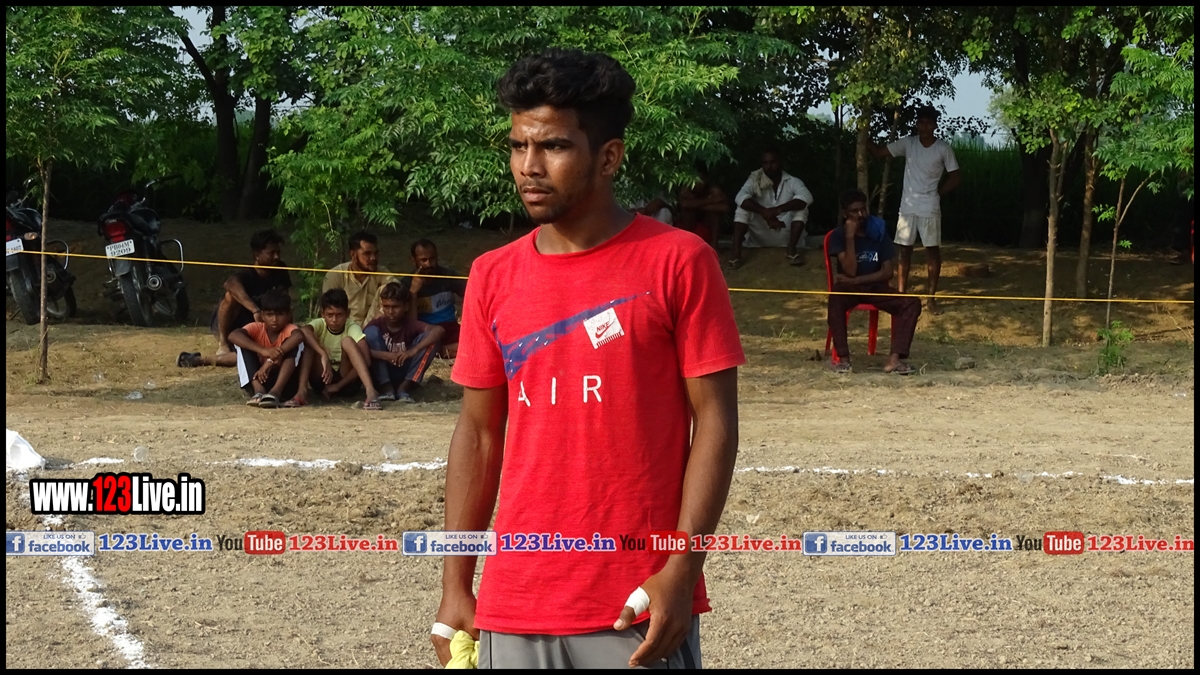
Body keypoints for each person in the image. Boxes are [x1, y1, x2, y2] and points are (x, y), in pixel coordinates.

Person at [432, 48, 744, 670]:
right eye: (518, 146)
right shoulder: (492, 275)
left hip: (633, 606)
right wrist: (455, 583)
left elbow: (715, 420)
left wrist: (682, 568)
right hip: (511, 605)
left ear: (608, 156)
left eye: (553, 146)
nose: (529, 166)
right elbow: (479, 432)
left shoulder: (679, 261)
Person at [867, 105, 961, 314]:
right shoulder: (908, 143)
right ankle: (901, 295)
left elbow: (955, 176)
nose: (924, 127)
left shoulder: (943, 148)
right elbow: (881, 152)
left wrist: (939, 192)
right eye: (921, 122)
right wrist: (864, 137)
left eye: (928, 123)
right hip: (908, 206)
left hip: (929, 206)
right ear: (917, 124)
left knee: (932, 251)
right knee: (904, 251)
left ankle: (931, 299)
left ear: (935, 125)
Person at [826, 189, 922, 374]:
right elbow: (850, 270)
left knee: (911, 303)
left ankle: (894, 359)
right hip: (847, 289)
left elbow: (887, 272)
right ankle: (843, 360)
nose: (860, 215)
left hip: (875, 287)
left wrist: (857, 280)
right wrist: (850, 237)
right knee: (835, 299)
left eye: (863, 209)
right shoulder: (838, 235)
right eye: (854, 211)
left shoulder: (878, 231)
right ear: (845, 214)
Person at [183, 229, 291, 368]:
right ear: (257, 255)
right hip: (236, 325)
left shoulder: (281, 270)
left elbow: (285, 301)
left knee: (254, 354)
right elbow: (229, 284)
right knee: (230, 296)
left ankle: (198, 360)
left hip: (264, 326)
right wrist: (255, 310)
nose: (276, 257)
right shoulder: (247, 274)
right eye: (271, 253)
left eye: (278, 252)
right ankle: (223, 343)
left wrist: (288, 330)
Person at [728, 149, 813, 269]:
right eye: (765, 163)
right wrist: (765, 213)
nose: (769, 166)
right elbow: (740, 197)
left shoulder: (793, 181)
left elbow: (807, 198)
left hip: (785, 229)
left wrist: (776, 210)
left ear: (780, 162)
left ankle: (791, 250)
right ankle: (735, 256)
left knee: (802, 207)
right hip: (761, 234)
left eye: (773, 162)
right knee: (742, 208)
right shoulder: (755, 180)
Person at [300, 288, 382, 410]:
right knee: (310, 341)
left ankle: (371, 391)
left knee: (347, 341)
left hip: (347, 382)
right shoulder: (320, 324)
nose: (334, 320)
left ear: (347, 313)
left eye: (339, 315)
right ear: (322, 314)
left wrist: (338, 385)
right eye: (330, 315)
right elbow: (304, 331)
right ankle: (301, 392)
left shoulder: (352, 326)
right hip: (322, 378)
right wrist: (323, 354)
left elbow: (367, 360)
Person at [364, 282, 445, 404]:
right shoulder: (377, 323)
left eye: (395, 307)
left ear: (406, 307)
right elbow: (360, 350)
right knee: (370, 333)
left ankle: (404, 388)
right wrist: (385, 355)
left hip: (405, 372)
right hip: (381, 373)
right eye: (386, 307)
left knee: (432, 340)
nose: (391, 311)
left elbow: (439, 330)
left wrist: (412, 351)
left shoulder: (410, 324)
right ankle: (386, 388)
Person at [225, 288, 307, 408]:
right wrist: (263, 350)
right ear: (262, 315)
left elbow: (299, 336)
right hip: (258, 378)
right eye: (269, 315)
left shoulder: (289, 329)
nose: (274, 320)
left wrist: (270, 360)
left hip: (285, 383)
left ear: (288, 315)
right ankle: (259, 391)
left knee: (296, 344)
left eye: (280, 314)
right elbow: (233, 335)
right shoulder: (257, 328)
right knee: (242, 344)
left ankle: (276, 392)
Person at [401, 239, 467, 358]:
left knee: (475, 341)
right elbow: (410, 324)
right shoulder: (406, 283)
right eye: (423, 260)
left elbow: (470, 293)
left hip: (451, 328)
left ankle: (443, 351)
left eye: (432, 259)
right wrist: (413, 293)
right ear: (413, 260)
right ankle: (447, 350)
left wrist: (465, 316)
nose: (429, 264)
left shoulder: (447, 275)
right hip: (427, 332)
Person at [322, 231, 398, 327]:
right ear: (353, 255)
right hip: (345, 328)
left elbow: (398, 290)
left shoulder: (381, 272)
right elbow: (329, 309)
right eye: (367, 254)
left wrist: (377, 319)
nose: (373, 258)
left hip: (373, 326)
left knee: (390, 289)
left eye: (375, 253)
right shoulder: (336, 275)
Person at [676, 162, 728, 251]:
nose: (698, 183)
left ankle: (715, 246)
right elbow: (684, 204)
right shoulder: (687, 189)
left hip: (706, 222)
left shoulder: (713, 190)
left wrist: (695, 204)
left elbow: (725, 207)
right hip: (690, 223)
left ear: (706, 179)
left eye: (701, 179)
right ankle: (687, 245)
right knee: (687, 211)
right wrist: (710, 201)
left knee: (715, 215)